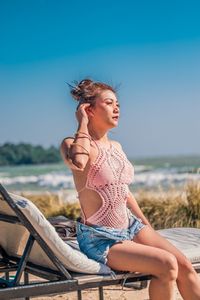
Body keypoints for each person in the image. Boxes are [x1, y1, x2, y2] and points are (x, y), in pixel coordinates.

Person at [60, 78, 200, 300]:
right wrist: (82, 123)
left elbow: (123, 191)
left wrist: (146, 225)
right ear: (89, 109)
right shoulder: (71, 144)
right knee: (167, 264)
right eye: (108, 103)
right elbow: (78, 162)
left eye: (118, 104)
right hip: (101, 239)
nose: (116, 108)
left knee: (184, 265)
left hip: (131, 226)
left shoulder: (116, 147)